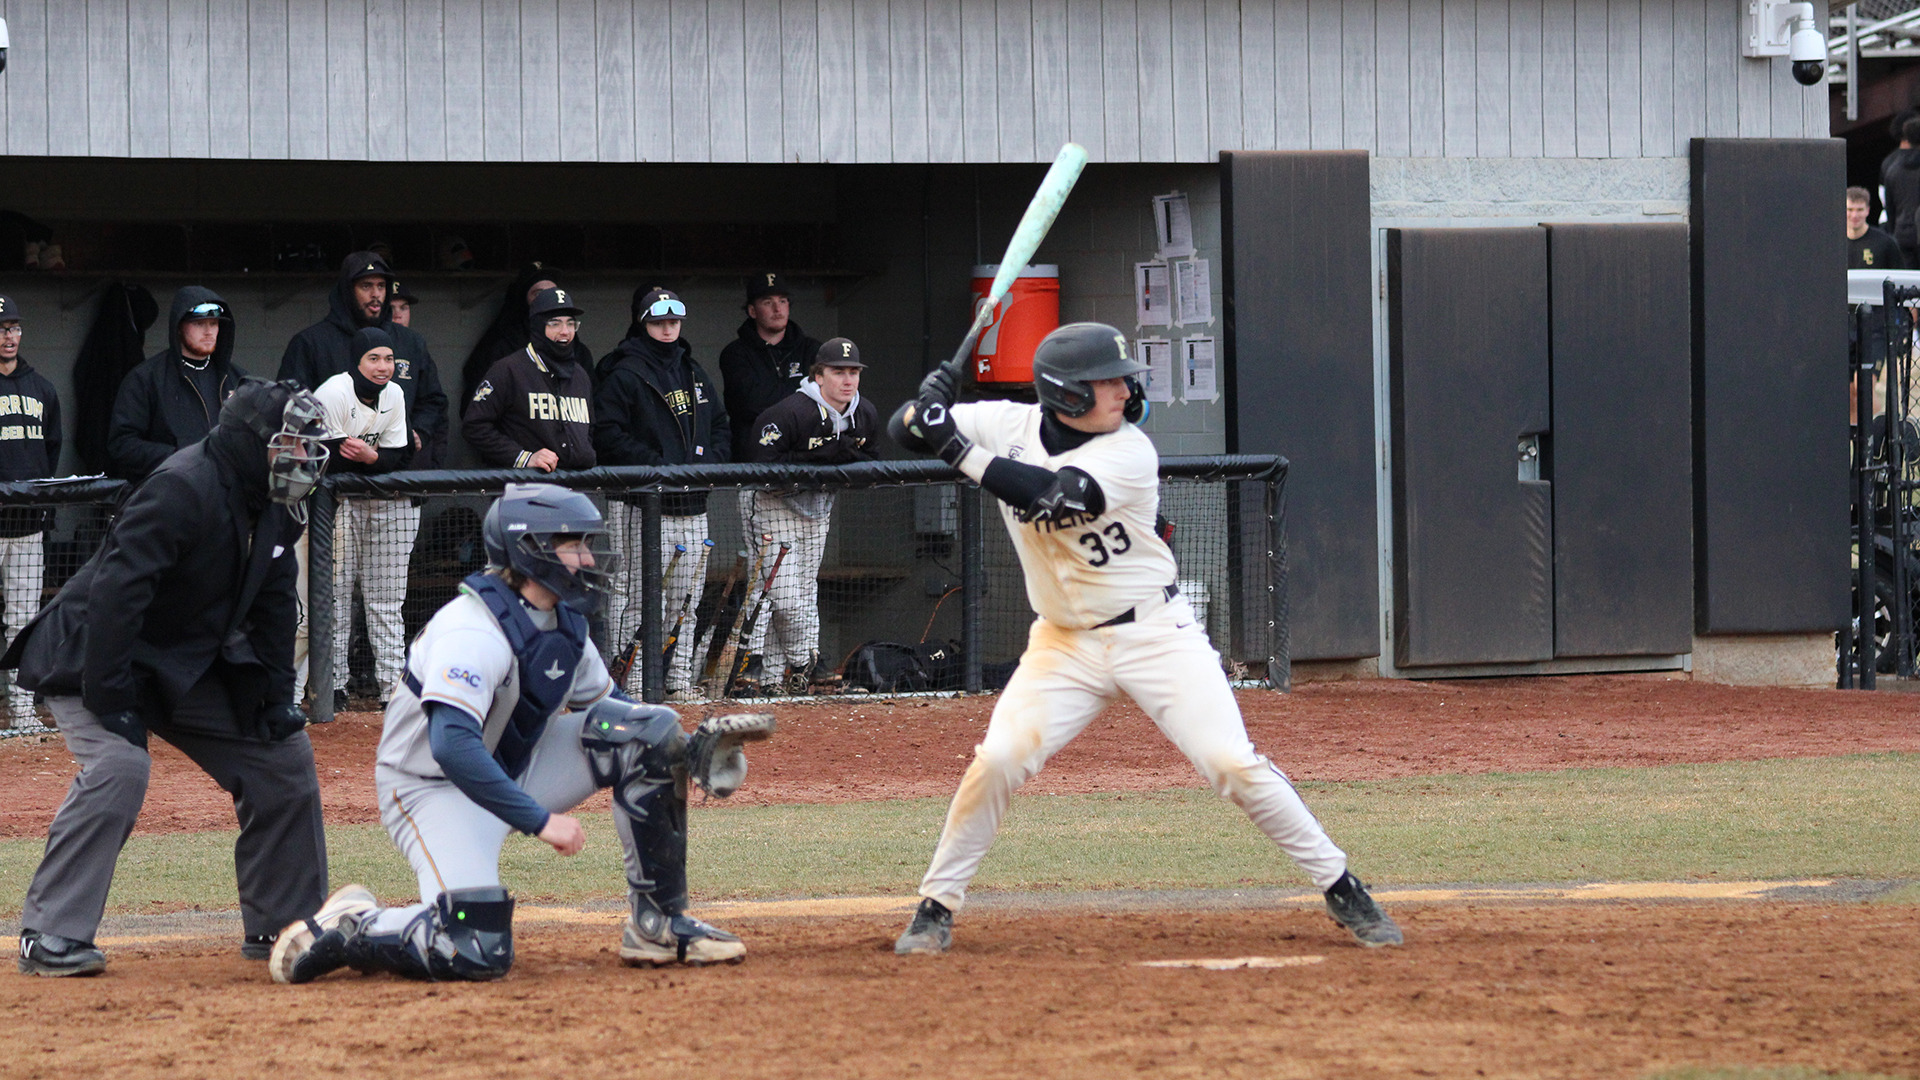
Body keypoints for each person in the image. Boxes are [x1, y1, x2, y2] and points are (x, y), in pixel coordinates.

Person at [885, 323, 1402, 955]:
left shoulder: (1128, 452)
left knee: (1230, 764)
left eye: (1122, 379)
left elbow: (1052, 498)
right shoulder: (1006, 424)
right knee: (997, 761)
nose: (1124, 391)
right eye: (1106, 382)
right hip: (1062, 644)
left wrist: (952, 444)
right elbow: (903, 428)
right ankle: (936, 906)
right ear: (1066, 394)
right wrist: (926, 407)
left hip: (1156, 634)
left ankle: (1341, 884)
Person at [267, 483, 764, 984]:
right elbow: (452, 745)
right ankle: (356, 925)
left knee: (651, 730)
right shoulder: (472, 629)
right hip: (433, 789)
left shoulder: (563, 621)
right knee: (473, 946)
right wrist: (538, 820)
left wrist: (689, 752)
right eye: (573, 544)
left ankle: (659, 925)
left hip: (514, 764)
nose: (589, 557)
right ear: (531, 550)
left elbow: (621, 718)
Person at [7, 379, 332, 976]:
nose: (302, 459)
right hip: (93, 653)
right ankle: (50, 933)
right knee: (120, 767)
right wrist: (112, 700)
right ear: (251, 441)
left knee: (282, 757)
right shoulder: (182, 487)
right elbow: (116, 595)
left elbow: (274, 604)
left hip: (180, 658)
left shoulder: (277, 501)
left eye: (309, 447)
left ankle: (284, 926)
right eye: (289, 445)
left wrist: (274, 696)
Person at [592, 288, 731, 700]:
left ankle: (677, 680)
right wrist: (656, 465)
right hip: (644, 505)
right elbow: (607, 434)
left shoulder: (693, 371)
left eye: (673, 321)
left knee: (686, 600)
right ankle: (631, 682)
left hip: (693, 504)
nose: (668, 329)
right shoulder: (624, 372)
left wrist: (708, 465)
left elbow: (720, 425)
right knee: (639, 598)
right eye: (658, 322)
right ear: (643, 324)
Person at [740, 338, 878, 694]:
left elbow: (872, 464)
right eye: (838, 372)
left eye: (853, 372)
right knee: (783, 597)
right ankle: (803, 661)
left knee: (802, 593)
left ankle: (771, 679)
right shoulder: (790, 412)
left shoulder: (864, 413)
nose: (847, 380)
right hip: (774, 505)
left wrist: (837, 458)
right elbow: (762, 467)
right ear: (818, 376)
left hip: (818, 509)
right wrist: (825, 458)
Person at [306, 328, 413, 708]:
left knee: (386, 600)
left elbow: (400, 456)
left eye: (389, 359)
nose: (383, 367)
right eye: (374, 359)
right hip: (333, 504)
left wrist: (372, 458)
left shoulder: (395, 394)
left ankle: (392, 689)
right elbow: (325, 458)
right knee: (334, 597)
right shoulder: (333, 393)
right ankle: (332, 686)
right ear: (357, 361)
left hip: (380, 503)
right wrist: (376, 460)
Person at [277, 251, 448, 476]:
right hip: (332, 475)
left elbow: (433, 399)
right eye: (366, 286)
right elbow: (289, 405)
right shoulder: (311, 342)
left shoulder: (410, 342)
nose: (376, 294)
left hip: (394, 475)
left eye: (381, 286)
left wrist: (418, 431)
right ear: (348, 290)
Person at [106, 287, 245, 481]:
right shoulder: (146, 379)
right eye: (199, 324)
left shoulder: (238, 379)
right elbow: (122, 444)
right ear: (179, 326)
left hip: (226, 492)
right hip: (169, 491)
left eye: (213, 324)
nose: (208, 332)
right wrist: (182, 457)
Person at [0, 296, 61, 728]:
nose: (9, 336)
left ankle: (22, 714)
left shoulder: (42, 389)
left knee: (22, 620)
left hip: (25, 526)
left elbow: (51, 450)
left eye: (14, 327)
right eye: (2, 328)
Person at [464, 287, 596, 472]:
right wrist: (523, 457)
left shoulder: (580, 375)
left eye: (570, 323)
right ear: (538, 326)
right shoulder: (508, 369)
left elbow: (589, 430)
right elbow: (475, 425)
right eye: (555, 324)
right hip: (528, 483)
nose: (565, 331)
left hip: (577, 481)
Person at [719, 272, 821, 463]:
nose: (777, 309)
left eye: (782, 301)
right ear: (752, 311)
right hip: (754, 459)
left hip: (804, 458)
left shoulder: (812, 350)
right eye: (768, 302)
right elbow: (748, 404)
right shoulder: (735, 353)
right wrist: (802, 396)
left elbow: (825, 401)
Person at [460, 263, 585, 403]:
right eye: (538, 294)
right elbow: (477, 406)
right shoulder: (500, 351)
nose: (548, 301)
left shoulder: (579, 354)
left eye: (552, 293)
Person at [1883, 119, 1920, 270]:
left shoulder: (1892, 168)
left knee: (1907, 280)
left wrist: (1893, 231)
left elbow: (1889, 206)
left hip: (1902, 232)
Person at [1850, 186, 1904, 270]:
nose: (1854, 215)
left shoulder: (1886, 243)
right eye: (1850, 209)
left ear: (1868, 210)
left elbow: (1898, 275)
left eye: (1860, 210)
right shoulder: (1833, 245)